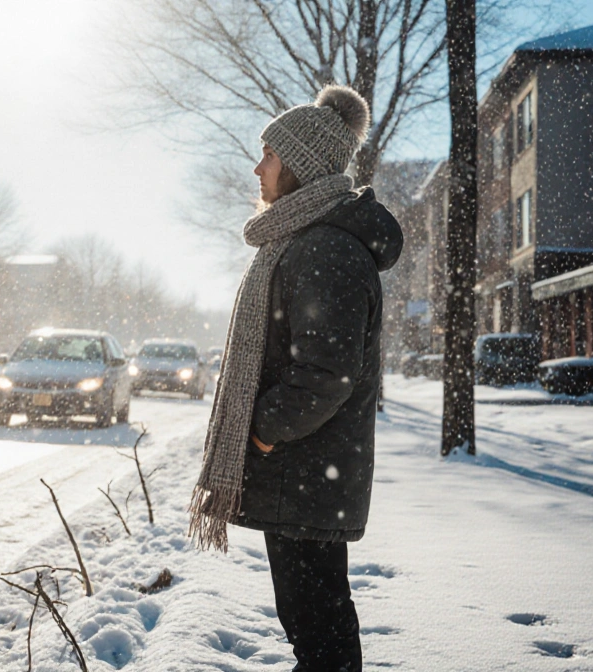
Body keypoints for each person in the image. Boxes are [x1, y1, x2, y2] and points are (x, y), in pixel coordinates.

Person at [189, 85, 404, 671]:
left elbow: (326, 374)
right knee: (316, 624)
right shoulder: (308, 240)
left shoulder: (324, 248)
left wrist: (260, 430)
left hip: (304, 471)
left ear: (300, 168)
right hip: (306, 474)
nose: (258, 167)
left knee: (319, 629)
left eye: (269, 155)